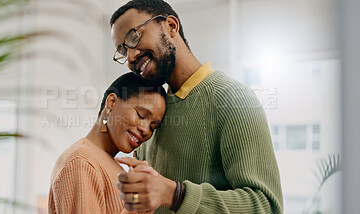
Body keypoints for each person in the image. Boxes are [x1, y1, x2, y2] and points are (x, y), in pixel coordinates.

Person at [110, 0, 284, 213]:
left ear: (171, 26)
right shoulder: (152, 117)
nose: (130, 57)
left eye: (134, 37)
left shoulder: (233, 99)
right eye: (122, 50)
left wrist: (175, 194)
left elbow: (267, 205)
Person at [48, 72, 167, 213]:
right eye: (141, 115)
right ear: (111, 102)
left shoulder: (109, 164)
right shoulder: (81, 162)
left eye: (153, 126)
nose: (145, 130)